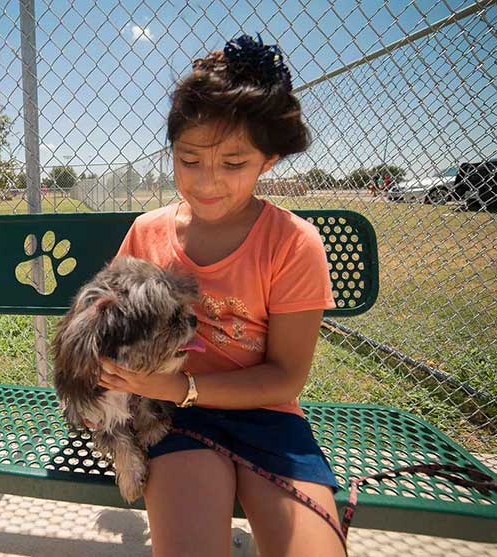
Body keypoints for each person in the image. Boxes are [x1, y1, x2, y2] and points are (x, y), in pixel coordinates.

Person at [96, 34, 345, 557]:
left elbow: (285, 377)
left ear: (269, 161)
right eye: (189, 160)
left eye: (233, 164)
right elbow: (105, 319)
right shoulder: (147, 232)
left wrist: (177, 385)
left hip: (266, 415)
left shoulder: (293, 244)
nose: (207, 183)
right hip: (169, 418)